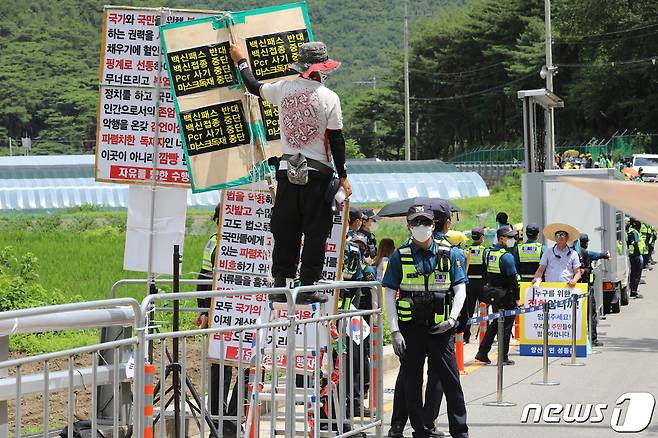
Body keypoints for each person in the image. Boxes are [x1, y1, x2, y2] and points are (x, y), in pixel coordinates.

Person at [230, 41, 352, 304]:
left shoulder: (282, 90)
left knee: (286, 228)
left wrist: (241, 60)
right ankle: (308, 286)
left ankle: (280, 283)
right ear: (321, 69)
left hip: (287, 171)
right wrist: (343, 176)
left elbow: (253, 86)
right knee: (315, 231)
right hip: (318, 174)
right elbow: (336, 140)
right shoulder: (329, 97)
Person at [384, 203, 469, 438]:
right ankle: (420, 430)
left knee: (451, 382)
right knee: (412, 383)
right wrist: (394, 331)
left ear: (433, 225)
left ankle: (460, 432)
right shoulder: (399, 256)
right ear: (408, 226)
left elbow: (460, 288)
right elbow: (389, 293)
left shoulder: (449, 253)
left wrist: (452, 320)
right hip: (411, 330)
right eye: (416, 223)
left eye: (425, 222)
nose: (420, 227)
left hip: (441, 329)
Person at [194, 205, 245, 437]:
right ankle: (218, 423)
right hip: (222, 313)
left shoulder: (252, 238)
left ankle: (233, 422)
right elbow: (204, 277)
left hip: (248, 312)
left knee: (248, 368)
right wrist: (203, 309)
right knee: (220, 366)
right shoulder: (215, 242)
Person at [474, 226, 520, 366]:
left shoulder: (489, 253)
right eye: (510, 237)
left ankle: (482, 352)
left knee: (495, 323)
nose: (513, 240)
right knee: (506, 327)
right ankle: (503, 356)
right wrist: (517, 298)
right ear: (501, 239)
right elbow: (512, 280)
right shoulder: (507, 257)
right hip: (507, 295)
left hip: (494, 294)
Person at [577, 233, 610, 347]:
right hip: (586, 288)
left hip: (575, 289)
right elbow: (596, 255)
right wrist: (605, 255)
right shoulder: (585, 253)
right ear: (585, 243)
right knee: (591, 314)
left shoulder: (572, 252)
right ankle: (593, 339)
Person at [462, 227, 487, 344]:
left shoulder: (466, 249)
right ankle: (485, 335)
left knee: (469, 311)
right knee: (484, 311)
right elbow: (487, 268)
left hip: (469, 283)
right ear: (481, 237)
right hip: (482, 284)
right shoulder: (484, 251)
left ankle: (466, 336)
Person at [627, 218, 644, 298]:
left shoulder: (630, 231)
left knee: (634, 273)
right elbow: (635, 244)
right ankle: (634, 291)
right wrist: (637, 253)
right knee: (636, 274)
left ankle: (633, 290)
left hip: (633, 255)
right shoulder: (634, 232)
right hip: (635, 255)